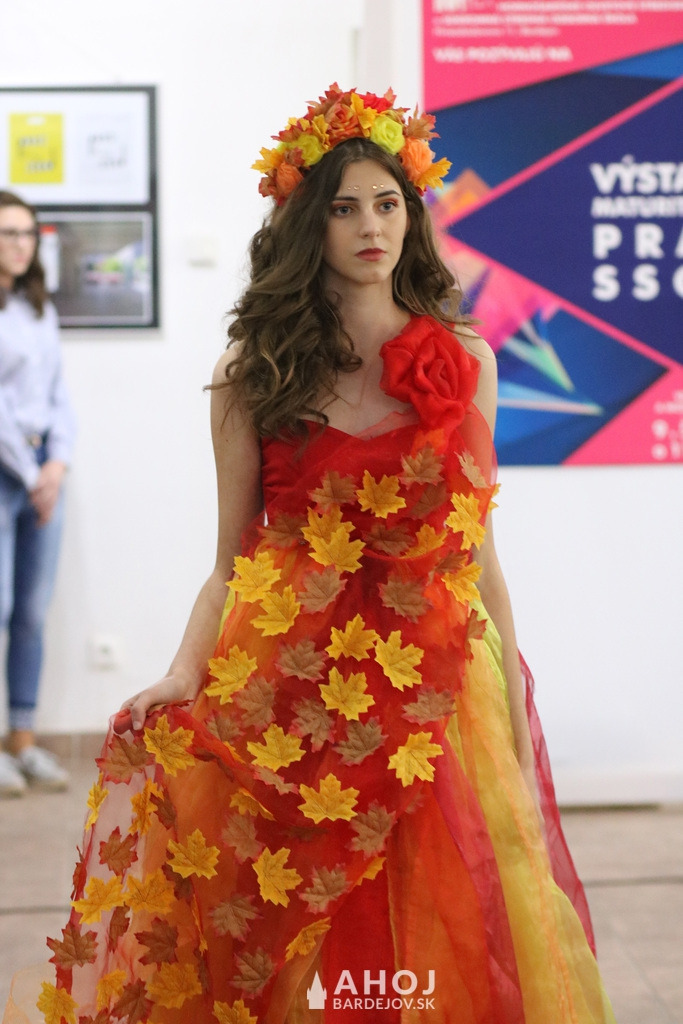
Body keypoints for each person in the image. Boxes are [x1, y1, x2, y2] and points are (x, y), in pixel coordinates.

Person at [5, 85, 614, 1022]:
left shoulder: (466, 359)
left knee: (436, 925)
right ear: (305, 223)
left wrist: (511, 721)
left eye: (387, 203)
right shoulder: (252, 373)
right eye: (343, 207)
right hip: (293, 681)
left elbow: (479, 555)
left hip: (436, 688)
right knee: (280, 930)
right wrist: (182, 673)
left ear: (411, 214)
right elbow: (228, 561)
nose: (370, 226)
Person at [0, 190, 74, 798]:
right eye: (8, 233)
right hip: (10, 471)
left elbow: (58, 393)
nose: (20, 244)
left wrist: (58, 462)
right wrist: (31, 474)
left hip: (42, 471)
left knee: (30, 612)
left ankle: (21, 740)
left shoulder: (37, 307)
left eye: (27, 233)